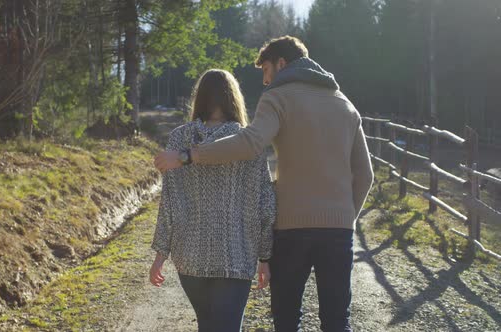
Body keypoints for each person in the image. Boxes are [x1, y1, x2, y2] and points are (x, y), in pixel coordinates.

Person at [154, 36, 374, 332]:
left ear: (282, 64)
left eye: (267, 70)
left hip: (292, 229)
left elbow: (251, 142)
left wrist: (187, 155)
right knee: (337, 320)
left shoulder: (278, 97)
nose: (266, 80)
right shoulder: (346, 105)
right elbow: (365, 174)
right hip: (339, 230)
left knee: (286, 319)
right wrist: (345, 216)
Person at [149, 69, 276, 332]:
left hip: (190, 258)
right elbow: (265, 202)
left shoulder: (179, 139)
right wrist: (265, 257)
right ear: (234, 99)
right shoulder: (248, 142)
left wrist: (161, 255)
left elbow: (169, 203)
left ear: (200, 98)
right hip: (237, 257)